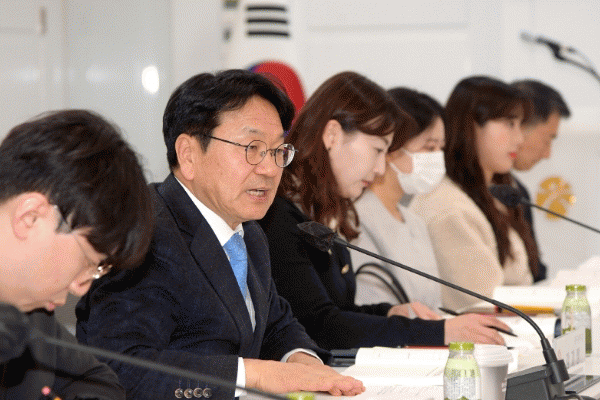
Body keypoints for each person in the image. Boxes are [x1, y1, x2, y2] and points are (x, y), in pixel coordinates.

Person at [75, 70, 365, 399]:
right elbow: (121, 367)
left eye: (277, 151)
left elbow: (275, 324)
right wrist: (253, 375)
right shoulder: (144, 234)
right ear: (188, 154)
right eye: (252, 147)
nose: (270, 169)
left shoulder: (249, 233)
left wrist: (303, 362)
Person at [259, 71, 510, 351]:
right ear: (332, 135)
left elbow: (339, 310)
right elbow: (320, 326)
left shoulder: (323, 212)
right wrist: (438, 332)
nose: (380, 169)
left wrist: (389, 312)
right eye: (378, 150)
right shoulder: (278, 215)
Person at [0, 110, 153, 400]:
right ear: (31, 217)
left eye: (97, 271)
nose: (81, 288)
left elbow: (99, 381)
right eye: (88, 263)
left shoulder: (32, 313)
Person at [412, 76, 538, 310]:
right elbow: (483, 302)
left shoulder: (493, 193)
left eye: (520, 125)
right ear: (471, 126)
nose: (520, 139)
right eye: (510, 124)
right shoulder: (447, 206)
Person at [351, 87, 446, 309]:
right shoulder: (357, 219)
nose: (437, 157)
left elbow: (433, 304)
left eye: (441, 148)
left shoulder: (415, 222)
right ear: (391, 147)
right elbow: (372, 305)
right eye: (429, 147)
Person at [511, 79, 571, 282]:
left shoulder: (517, 192)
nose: (547, 154)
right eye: (547, 140)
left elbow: (535, 271)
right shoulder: (465, 193)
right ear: (520, 126)